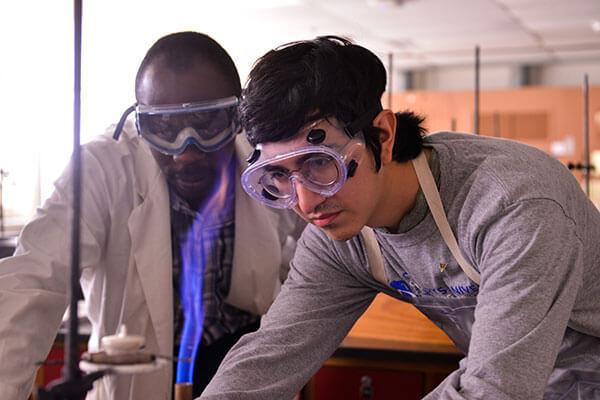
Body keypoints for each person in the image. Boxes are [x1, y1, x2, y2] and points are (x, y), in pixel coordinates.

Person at [200, 36, 600, 399]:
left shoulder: (512, 206)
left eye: (321, 164)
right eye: (280, 176)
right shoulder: (340, 236)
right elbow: (270, 354)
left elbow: (493, 391)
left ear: (384, 137)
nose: (305, 202)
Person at [0, 31, 304, 400]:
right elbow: (33, 281)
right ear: (139, 123)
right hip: (139, 382)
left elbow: (312, 250)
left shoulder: (268, 164)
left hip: (241, 367)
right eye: (163, 128)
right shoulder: (102, 168)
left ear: (238, 118)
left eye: (207, 124)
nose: (186, 152)